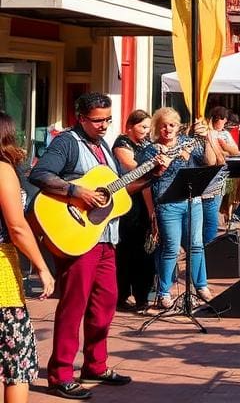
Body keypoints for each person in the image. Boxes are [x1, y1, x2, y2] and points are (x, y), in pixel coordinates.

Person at [30, 93, 163, 400]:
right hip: (77, 236)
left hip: (105, 237)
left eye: (108, 119)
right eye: (98, 120)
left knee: (106, 301)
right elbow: (39, 174)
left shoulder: (103, 146)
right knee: (74, 304)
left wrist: (151, 175)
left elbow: (117, 190)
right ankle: (60, 374)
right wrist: (77, 190)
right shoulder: (67, 142)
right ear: (81, 118)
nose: (105, 125)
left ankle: (95, 365)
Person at [0, 111, 55, 403]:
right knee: (15, 362)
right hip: (2, 281)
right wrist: (42, 266)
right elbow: (17, 226)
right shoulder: (2, 169)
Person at [139, 107, 218, 310]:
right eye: (163, 125)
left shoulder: (187, 143)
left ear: (178, 126)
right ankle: (164, 292)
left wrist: (207, 138)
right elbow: (145, 182)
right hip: (167, 204)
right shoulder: (151, 150)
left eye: (172, 125)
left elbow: (209, 162)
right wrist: (151, 212)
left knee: (196, 245)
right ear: (157, 128)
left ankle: (201, 286)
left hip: (192, 201)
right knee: (171, 248)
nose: (168, 129)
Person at [112, 109, 156, 313]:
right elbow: (132, 167)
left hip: (144, 199)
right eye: (142, 127)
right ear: (130, 126)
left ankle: (142, 296)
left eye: (148, 127)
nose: (146, 131)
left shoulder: (145, 145)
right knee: (127, 251)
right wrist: (154, 164)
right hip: (128, 203)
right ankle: (122, 295)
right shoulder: (122, 144)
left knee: (144, 251)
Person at [202, 105, 240, 245]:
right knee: (210, 221)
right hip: (211, 182)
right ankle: (207, 250)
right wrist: (222, 151)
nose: (223, 123)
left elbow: (235, 151)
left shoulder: (225, 134)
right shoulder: (207, 133)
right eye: (221, 119)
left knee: (226, 203)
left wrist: (224, 147)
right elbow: (212, 161)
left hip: (224, 177)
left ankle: (228, 217)